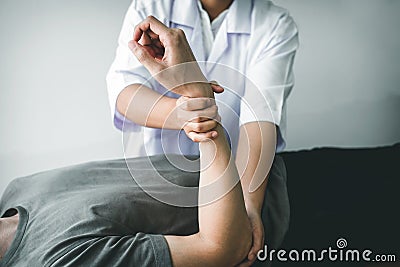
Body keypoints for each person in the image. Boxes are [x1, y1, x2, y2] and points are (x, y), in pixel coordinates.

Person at [106, 0, 298, 264]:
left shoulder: (275, 23)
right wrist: (188, 112)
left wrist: (247, 207)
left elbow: (260, 116)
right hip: (163, 171)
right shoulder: (152, 6)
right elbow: (126, 92)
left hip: (244, 174)